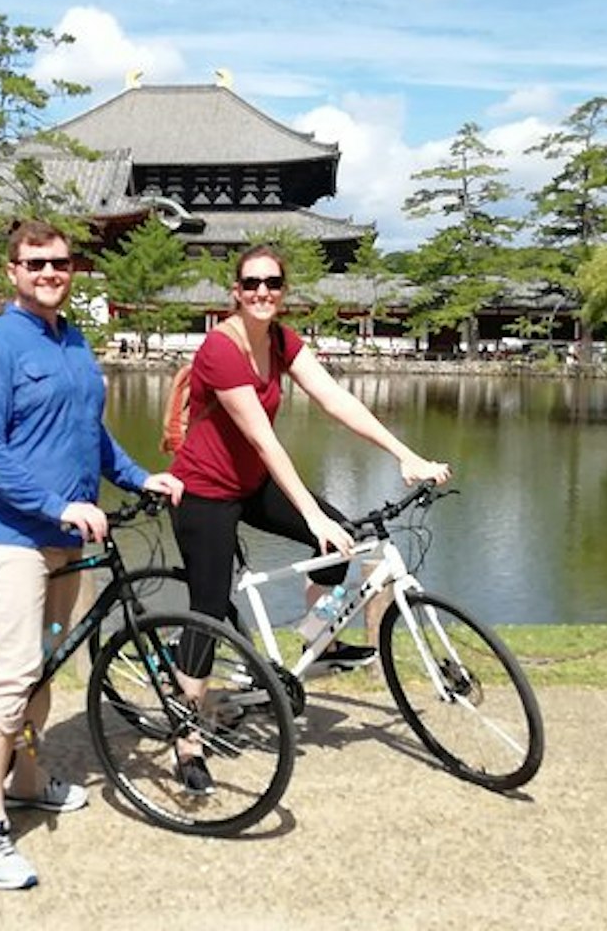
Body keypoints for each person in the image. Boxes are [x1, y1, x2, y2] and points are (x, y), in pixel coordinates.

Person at [167, 244, 452, 794]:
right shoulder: (220, 351)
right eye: (251, 283)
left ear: (283, 289)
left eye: (272, 283)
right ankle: (187, 739)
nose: (262, 292)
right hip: (203, 492)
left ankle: (314, 640)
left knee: (339, 544)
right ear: (235, 290)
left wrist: (404, 455)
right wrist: (309, 511)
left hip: (249, 485)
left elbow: (336, 400)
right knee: (207, 608)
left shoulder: (280, 340)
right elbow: (266, 442)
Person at [0, 219, 183, 890]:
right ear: (12, 271)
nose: (50, 273)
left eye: (59, 263)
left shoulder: (75, 340)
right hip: (13, 536)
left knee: (45, 669)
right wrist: (57, 505)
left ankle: (27, 780)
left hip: (69, 537)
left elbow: (90, 431)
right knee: (10, 672)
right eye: (35, 263)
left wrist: (142, 477)